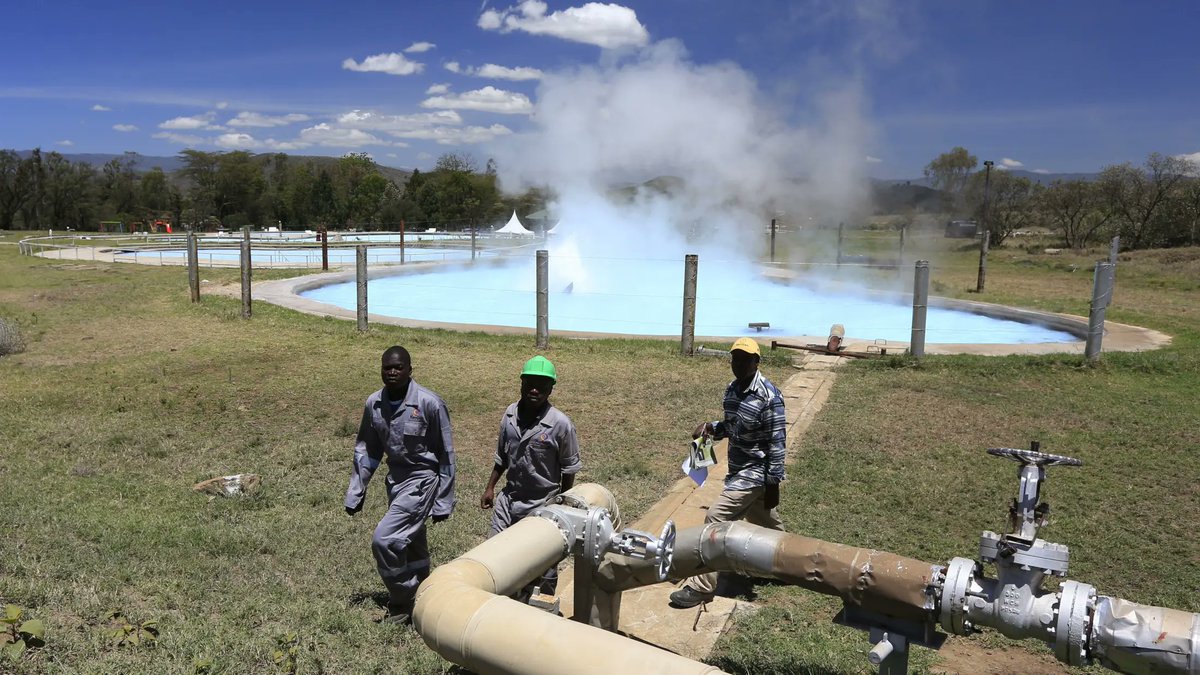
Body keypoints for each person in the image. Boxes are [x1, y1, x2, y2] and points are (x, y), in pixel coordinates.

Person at [669, 337, 787, 609]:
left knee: (715, 517)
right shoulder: (732, 390)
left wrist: (773, 484)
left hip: (755, 473)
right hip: (737, 471)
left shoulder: (770, 397)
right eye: (735, 359)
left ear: (756, 362)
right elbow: (731, 426)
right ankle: (788, 564)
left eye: (745, 359)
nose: (738, 364)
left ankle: (702, 586)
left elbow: (777, 443)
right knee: (767, 523)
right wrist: (710, 428)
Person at [344, 346, 456, 624]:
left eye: (398, 367)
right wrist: (356, 492)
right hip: (395, 482)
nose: (392, 372)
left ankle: (404, 598)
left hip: (422, 482)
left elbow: (446, 455)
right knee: (413, 543)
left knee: (385, 540)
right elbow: (367, 450)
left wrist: (443, 501)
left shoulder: (430, 403)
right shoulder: (374, 403)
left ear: (410, 370)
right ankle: (427, 595)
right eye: (387, 367)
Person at [480, 355, 581, 598]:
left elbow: (569, 469)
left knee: (542, 567)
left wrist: (560, 505)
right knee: (496, 556)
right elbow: (502, 457)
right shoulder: (510, 415)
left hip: (542, 504)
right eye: (530, 384)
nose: (535, 390)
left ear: (551, 388)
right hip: (509, 501)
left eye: (542, 385)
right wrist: (490, 487)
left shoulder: (560, 424)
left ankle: (542, 606)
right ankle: (504, 605)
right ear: (522, 383)